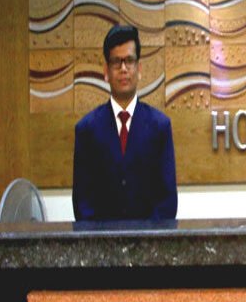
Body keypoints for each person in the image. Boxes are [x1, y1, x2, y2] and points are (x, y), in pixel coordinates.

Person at [72, 23, 178, 221]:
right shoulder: (86, 129)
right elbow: (82, 203)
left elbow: (167, 201)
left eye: (129, 61)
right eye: (116, 62)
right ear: (106, 70)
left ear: (139, 68)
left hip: (149, 239)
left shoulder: (160, 127)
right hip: (100, 239)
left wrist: (144, 237)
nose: (123, 69)